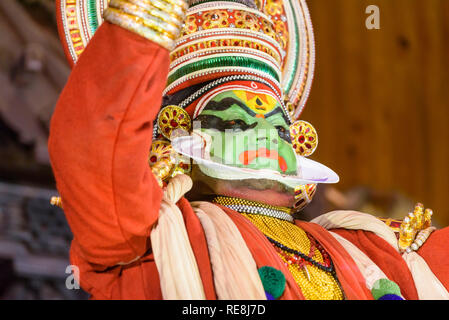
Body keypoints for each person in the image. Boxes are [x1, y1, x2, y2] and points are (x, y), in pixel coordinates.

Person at [49, 0, 449, 299]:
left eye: (278, 125)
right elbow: (94, 143)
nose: (264, 134)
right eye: (237, 122)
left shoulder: (372, 247)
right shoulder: (150, 237)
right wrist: (146, 24)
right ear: (181, 143)